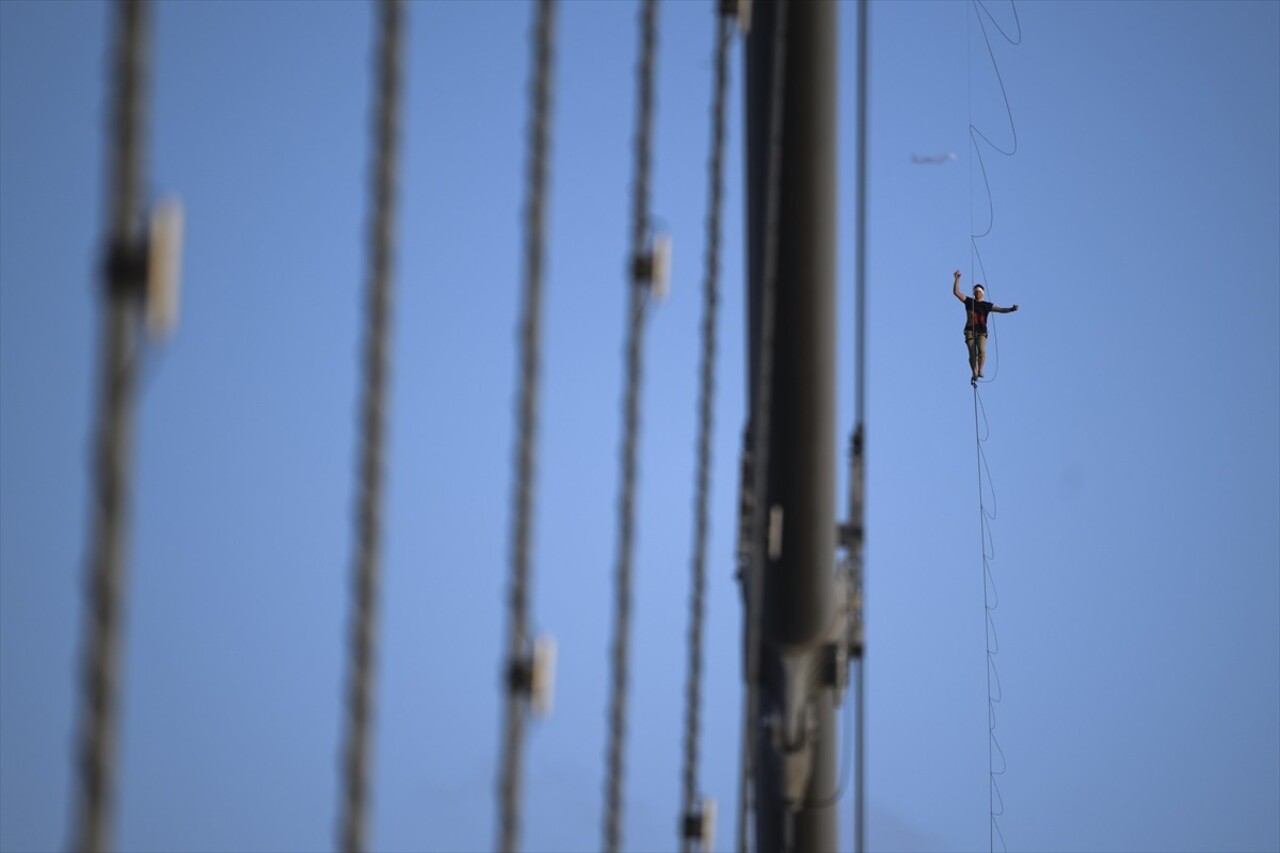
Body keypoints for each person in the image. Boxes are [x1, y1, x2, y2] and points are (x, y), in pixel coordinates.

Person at [953, 270, 1018, 385]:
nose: (977, 293)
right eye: (976, 291)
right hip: (969, 330)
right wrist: (957, 279)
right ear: (974, 293)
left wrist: (1011, 309)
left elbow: (1001, 310)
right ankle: (974, 371)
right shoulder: (969, 301)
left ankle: (980, 370)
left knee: (982, 351)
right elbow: (956, 292)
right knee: (972, 353)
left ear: (982, 293)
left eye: (979, 291)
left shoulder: (987, 305)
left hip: (981, 332)